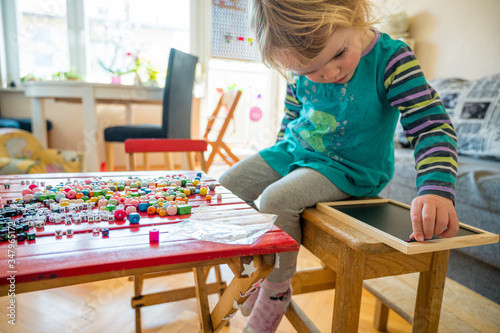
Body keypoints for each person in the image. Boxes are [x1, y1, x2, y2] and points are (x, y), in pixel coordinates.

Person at [219, 1, 459, 332]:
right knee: (225, 186)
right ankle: (251, 270)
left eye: (338, 54)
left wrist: (435, 189)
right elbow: (292, 116)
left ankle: (275, 291)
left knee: (276, 199)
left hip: (348, 168)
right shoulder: (297, 61)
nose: (329, 74)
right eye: (311, 72)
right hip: (293, 150)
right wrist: (276, 158)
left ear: (353, 14)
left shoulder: (392, 59)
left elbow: (430, 126)